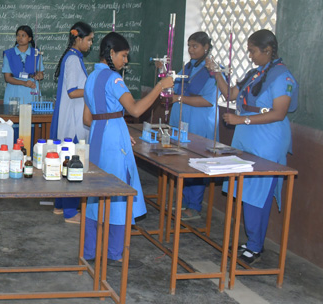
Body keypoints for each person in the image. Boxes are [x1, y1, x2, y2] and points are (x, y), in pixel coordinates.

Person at [82, 32, 174, 266]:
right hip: (113, 142)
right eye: (123, 56)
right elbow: (135, 110)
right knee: (118, 192)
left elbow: (87, 118)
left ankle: (90, 249)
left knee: (94, 193)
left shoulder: (91, 77)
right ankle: (114, 252)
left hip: (97, 138)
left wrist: (116, 129)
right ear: (111, 53)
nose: (125, 61)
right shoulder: (114, 79)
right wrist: (160, 86)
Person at [214, 29, 298, 264]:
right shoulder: (255, 74)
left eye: (252, 51)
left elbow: (279, 113)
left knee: (258, 193)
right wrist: (217, 73)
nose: (250, 56)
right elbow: (230, 94)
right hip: (247, 136)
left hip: (267, 139)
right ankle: (252, 240)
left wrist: (242, 120)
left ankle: (255, 246)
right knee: (246, 190)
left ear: (267, 50)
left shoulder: (282, 77)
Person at [165, 31, 224, 221]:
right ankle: (183, 201)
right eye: (189, 46)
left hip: (199, 122)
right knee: (182, 161)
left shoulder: (213, 70)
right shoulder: (189, 67)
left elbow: (207, 100)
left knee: (197, 163)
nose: (191, 50)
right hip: (182, 120)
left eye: (195, 46)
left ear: (206, 47)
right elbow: (176, 87)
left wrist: (179, 98)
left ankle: (194, 206)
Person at [50, 22, 94, 224]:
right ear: (78, 39)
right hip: (74, 122)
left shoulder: (73, 57)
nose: (91, 44)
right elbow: (73, 91)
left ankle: (60, 205)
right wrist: (94, 89)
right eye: (89, 40)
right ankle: (70, 212)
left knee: (65, 162)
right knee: (74, 165)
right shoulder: (73, 60)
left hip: (71, 119)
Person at [2, 25, 44, 105]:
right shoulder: (8, 54)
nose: (20, 38)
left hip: (31, 89)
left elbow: (41, 73)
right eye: (18, 35)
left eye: (23, 35)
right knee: (13, 112)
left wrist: (39, 75)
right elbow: (7, 78)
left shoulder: (36, 53)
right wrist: (24, 83)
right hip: (14, 91)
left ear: (30, 38)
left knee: (33, 111)